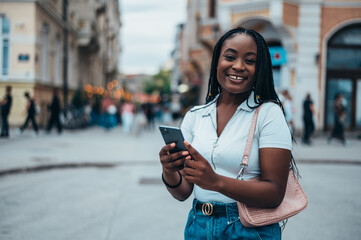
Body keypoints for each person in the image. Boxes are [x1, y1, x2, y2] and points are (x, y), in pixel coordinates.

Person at [159, 27, 292, 239]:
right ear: (217, 61)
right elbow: (183, 192)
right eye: (230, 57)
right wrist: (168, 170)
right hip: (198, 225)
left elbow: (274, 194)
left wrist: (216, 182)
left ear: (260, 69)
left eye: (250, 61)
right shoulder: (195, 115)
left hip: (248, 229)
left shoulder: (269, 114)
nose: (238, 66)